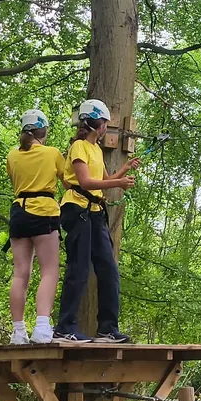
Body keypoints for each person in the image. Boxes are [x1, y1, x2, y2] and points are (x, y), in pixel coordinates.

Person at [53, 99, 140, 344]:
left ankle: (107, 328)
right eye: (104, 124)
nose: (105, 128)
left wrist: (124, 170)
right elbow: (85, 182)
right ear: (97, 124)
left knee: (108, 268)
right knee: (79, 268)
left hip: (94, 211)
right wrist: (118, 183)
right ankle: (64, 327)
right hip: (77, 208)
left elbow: (105, 180)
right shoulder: (79, 146)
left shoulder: (96, 150)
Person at [6, 109, 66, 345]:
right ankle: (42, 327)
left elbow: (16, 180)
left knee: (21, 273)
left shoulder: (13, 156)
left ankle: (18, 332)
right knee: (49, 271)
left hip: (19, 212)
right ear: (44, 131)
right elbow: (68, 180)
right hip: (44, 212)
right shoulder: (53, 153)